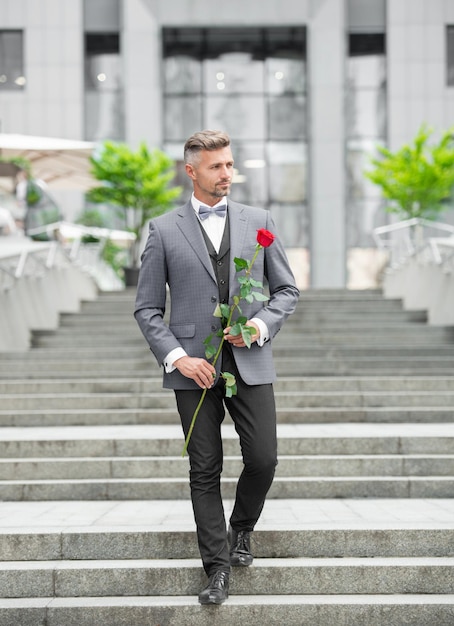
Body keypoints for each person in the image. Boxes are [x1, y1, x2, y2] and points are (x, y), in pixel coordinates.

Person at [134, 129, 299, 605]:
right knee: (204, 468)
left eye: (229, 164)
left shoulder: (259, 221)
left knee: (264, 458)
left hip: (249, 360)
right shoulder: (163, 230)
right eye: (216, 166)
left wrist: (259, 327)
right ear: (192, 171)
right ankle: (217, 568)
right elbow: (147, 308)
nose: (227, 173)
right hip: (194, 369)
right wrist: (178, 358)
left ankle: (241, 528)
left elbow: (286, 290)